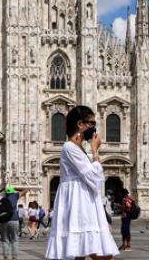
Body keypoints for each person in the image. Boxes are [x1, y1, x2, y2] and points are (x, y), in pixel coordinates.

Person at [45, 105, 119, 260]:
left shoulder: (78, 149)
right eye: (91, 123)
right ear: (80, 124)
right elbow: (94, 178)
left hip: (84, 201)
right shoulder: (69, 147)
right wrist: (95, 152)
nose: (94, 128)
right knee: (94, 253)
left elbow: (95, 179)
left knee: (85, 252)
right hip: (79, 204)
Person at [0, 185, 27, 260]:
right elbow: (25, 190)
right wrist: (15, 188)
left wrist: (3, 189)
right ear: (12, 191)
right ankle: (14, 257)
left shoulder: (1, 196)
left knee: (5, 239)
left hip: (3, 220)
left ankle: (5, 257)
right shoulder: (15, 195)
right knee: (15, 239)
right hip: (14, 220)